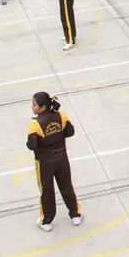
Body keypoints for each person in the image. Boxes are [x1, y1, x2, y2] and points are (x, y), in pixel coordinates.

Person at [26, 92, 83, 231]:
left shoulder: (35, 124)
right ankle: (75, 214)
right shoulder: (61, 116)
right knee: (66, 186)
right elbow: (70, 132)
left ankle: (46, 221)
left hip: (44, 163)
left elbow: (31, 145)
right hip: (62, 159)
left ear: (43, 107)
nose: (32, 106)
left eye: (34, 104)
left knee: (47, 191)